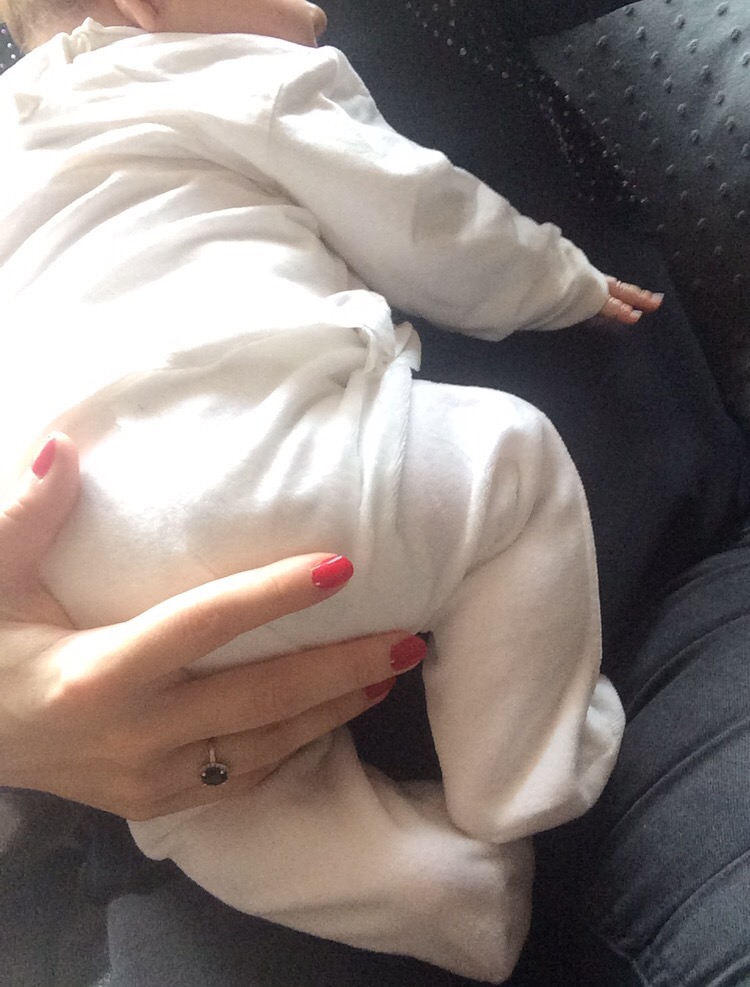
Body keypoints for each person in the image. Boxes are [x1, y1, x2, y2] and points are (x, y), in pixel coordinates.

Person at [1, 2, 748, 986]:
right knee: (510, 463)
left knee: (204, 801)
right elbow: (425, 219)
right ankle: (521, 774)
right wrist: (558, 279)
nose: (312, 9)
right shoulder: (232, 69)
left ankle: (441, 898)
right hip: (306, 502)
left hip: (98, 580)